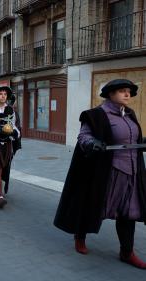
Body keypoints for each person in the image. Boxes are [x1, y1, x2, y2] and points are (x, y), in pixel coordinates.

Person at [54, 79, 146, 269]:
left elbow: (132, 140)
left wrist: (143, 142)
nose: (127, 94)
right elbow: (83, 136)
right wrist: (91, 143)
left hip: (131, 173)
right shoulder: (95, 115)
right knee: (94, 206)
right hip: (107, 173)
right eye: (122, 91)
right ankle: (80, 236)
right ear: (110, 94)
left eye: (128, 91)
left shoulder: (130, 114)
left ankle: (127, 252)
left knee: (129, 212)